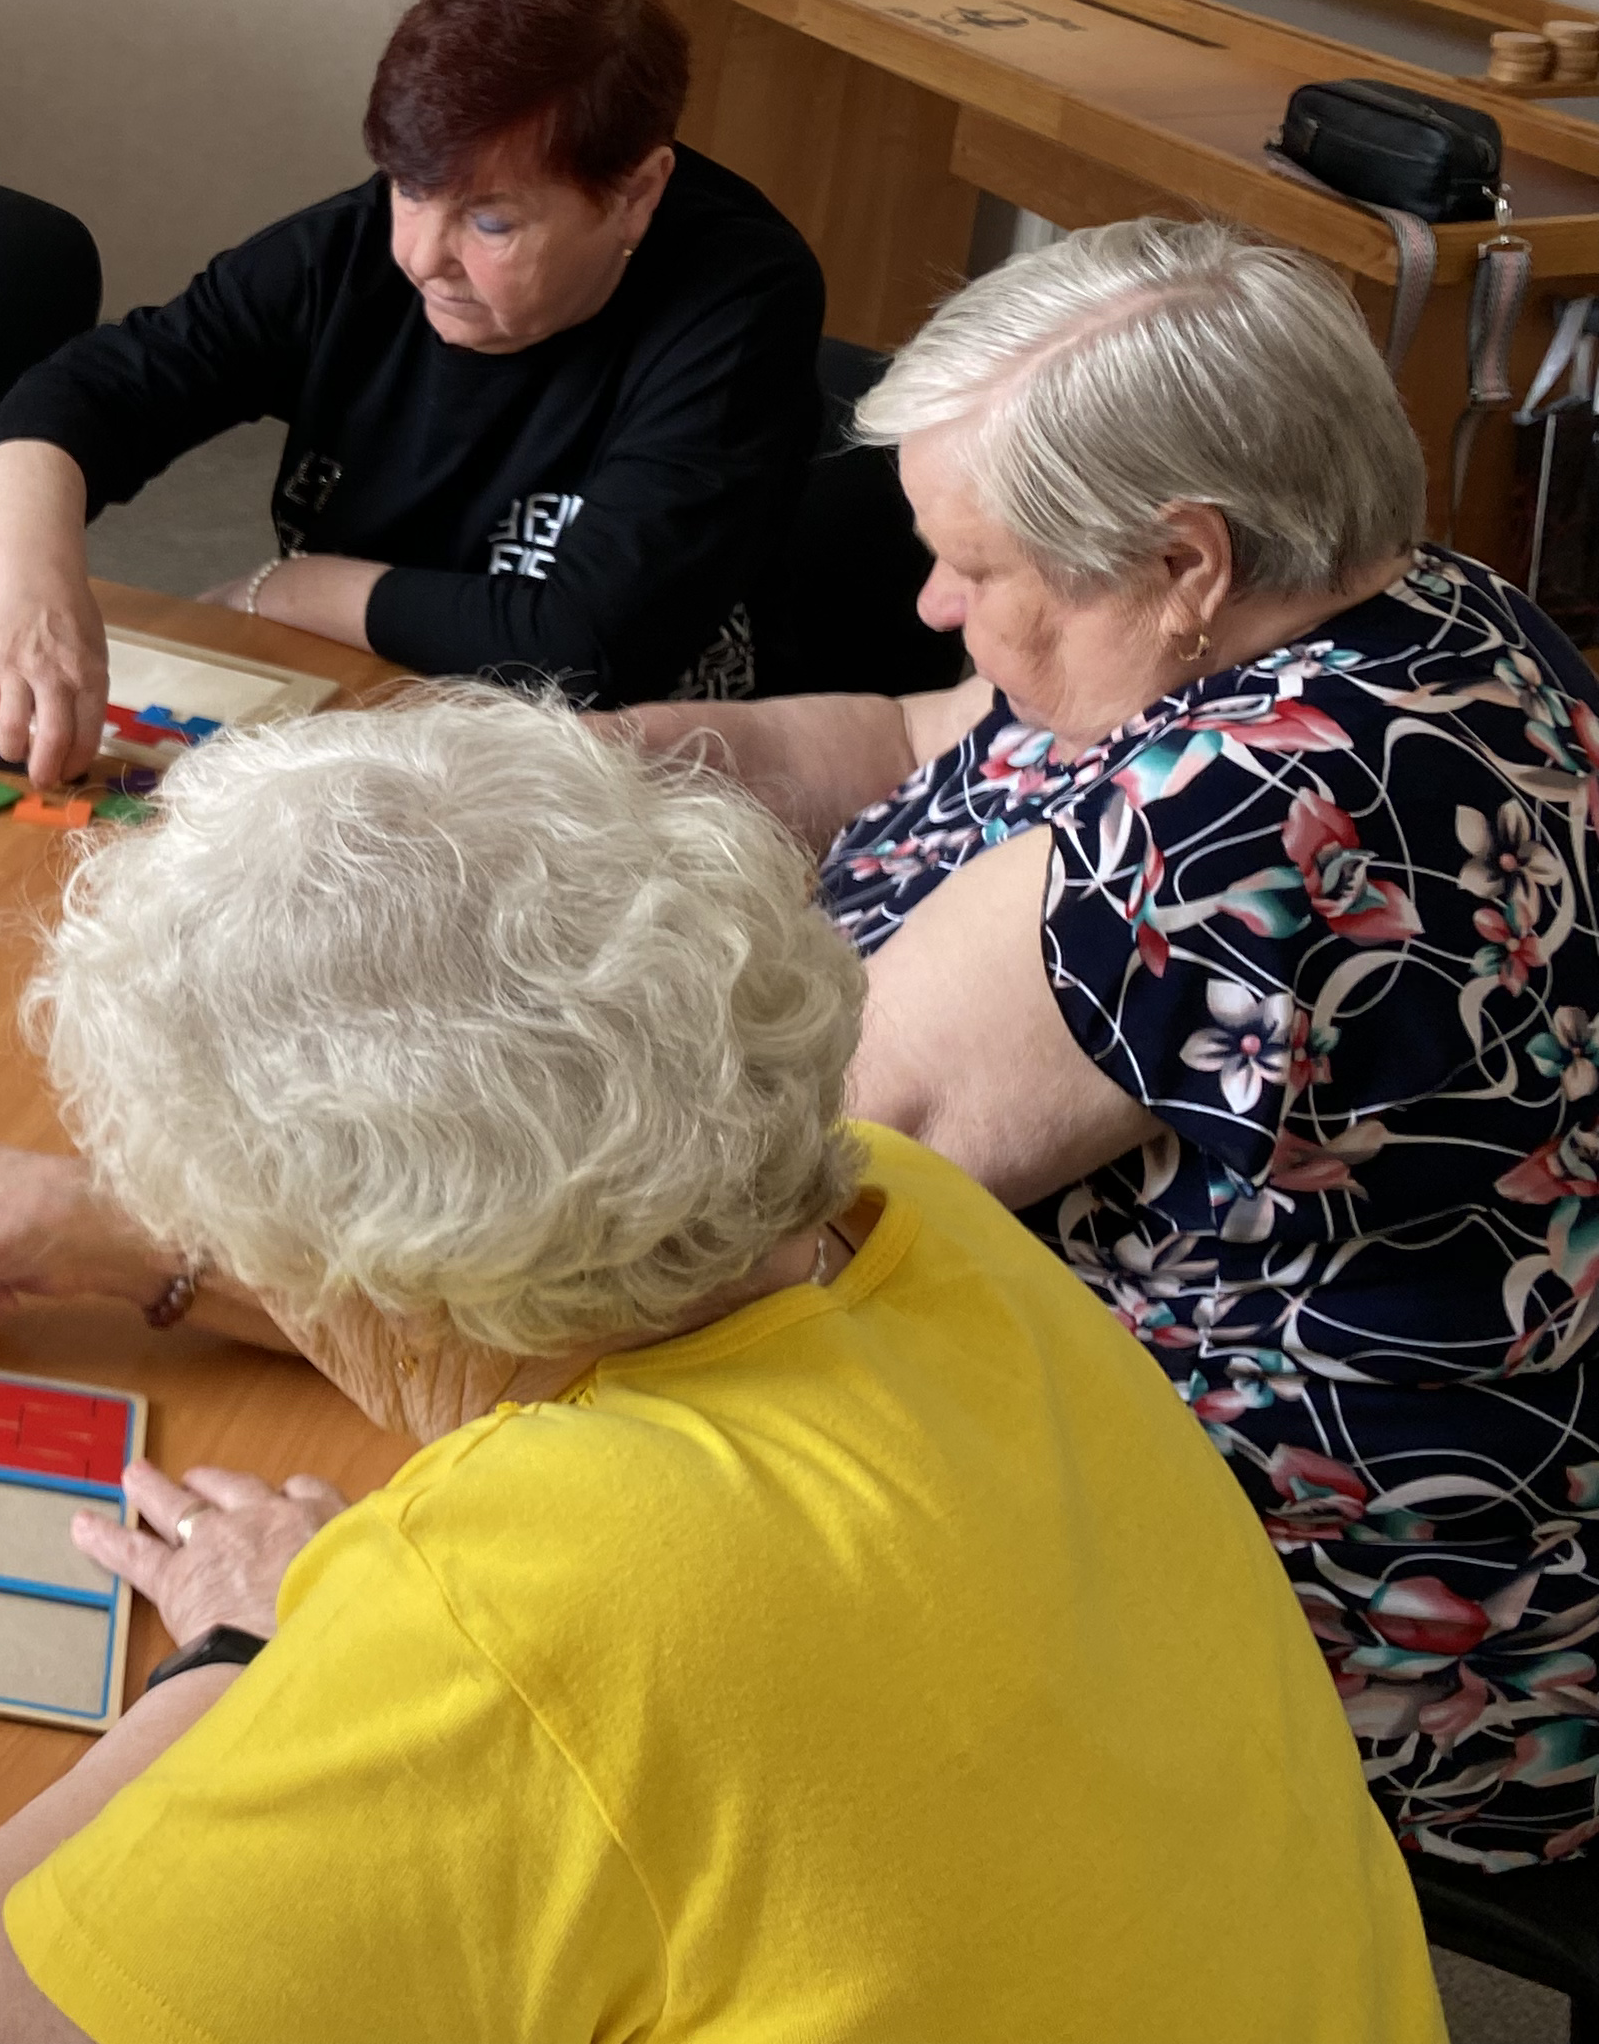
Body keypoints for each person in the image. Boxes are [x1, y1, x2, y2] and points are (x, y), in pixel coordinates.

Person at [0, 692, 1435, 2043]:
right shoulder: (900, 1203)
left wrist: (242, 1654)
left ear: (366, 1275)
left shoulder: (512, 1610)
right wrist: (125, 1236)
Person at [618, 215, 1599, 1869]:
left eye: (976, 566)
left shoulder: (1241, 826)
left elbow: (741, 1199)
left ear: (1183, 557)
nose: (930, 600)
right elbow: (912, 736)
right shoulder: (1398, 594)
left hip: (1343, 1607)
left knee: (564, 1538)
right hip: (1409, 1483)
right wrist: (595, 759)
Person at [0, 0, 823, 777]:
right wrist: (30, 588)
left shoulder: (741, 301)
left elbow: (585, 650)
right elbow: (83, 395)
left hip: (621, 762)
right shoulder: (348, 250)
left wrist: (288, 587)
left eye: (491, 223)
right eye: (409, 191)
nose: (421, 256)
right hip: (366, 710)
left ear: (634, 196)